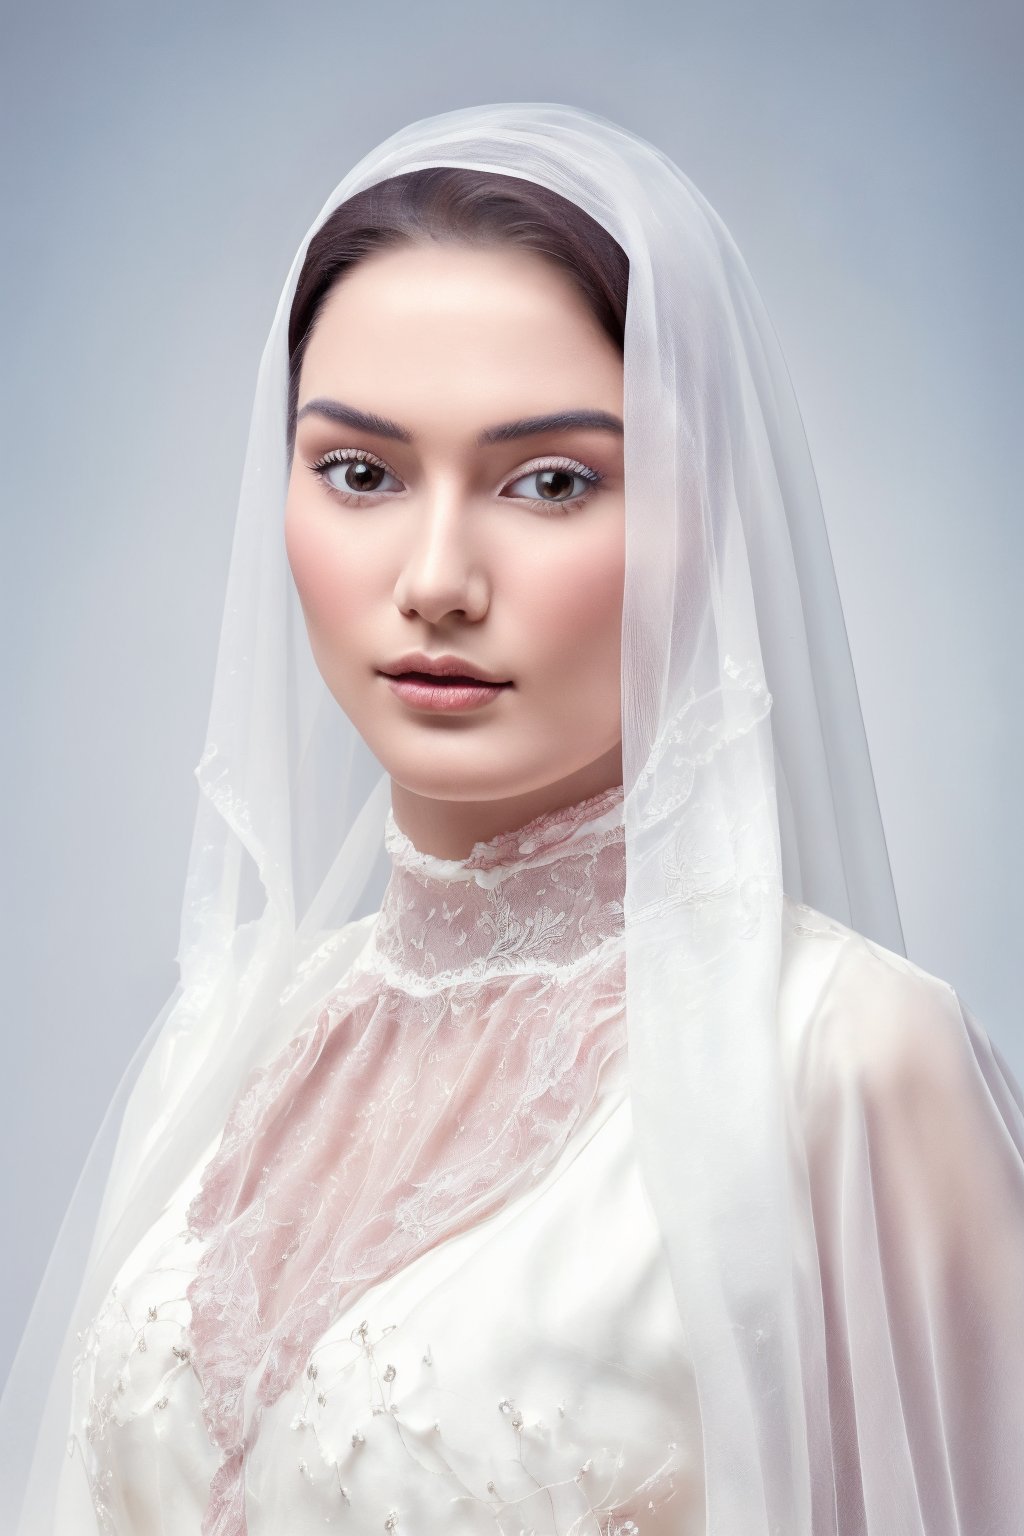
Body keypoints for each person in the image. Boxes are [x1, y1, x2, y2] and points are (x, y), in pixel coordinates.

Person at [4, 101, 1023, 1536]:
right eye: (358, 471)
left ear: (700, 511)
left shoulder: (847, 1064)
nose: (435, 577)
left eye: (550, 481)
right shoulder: (223, 1052)